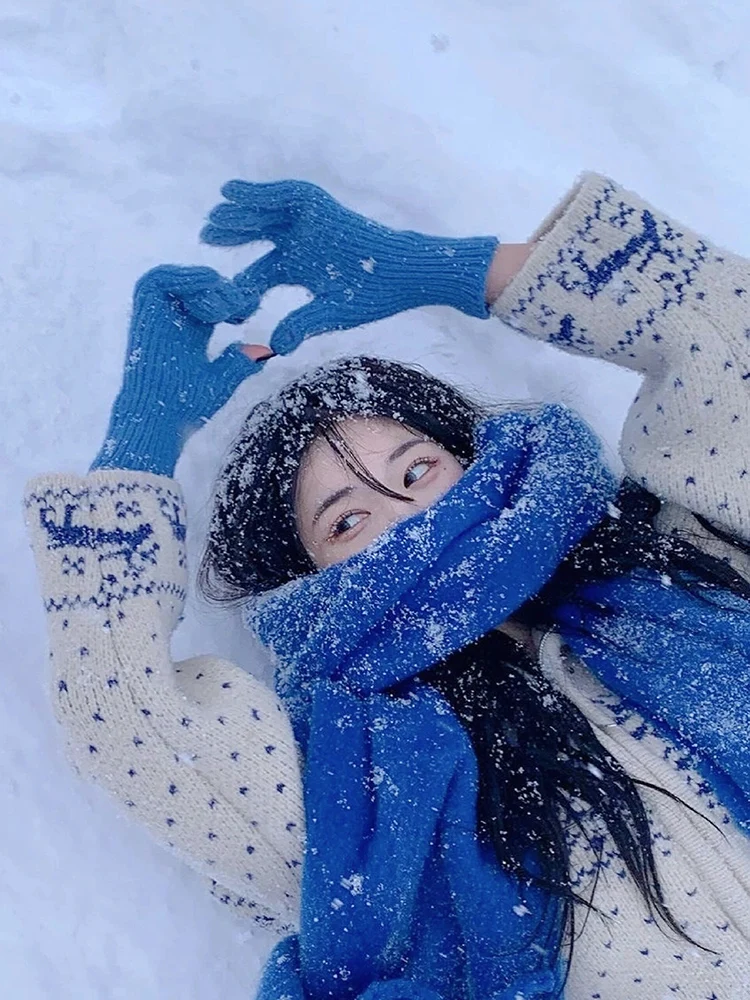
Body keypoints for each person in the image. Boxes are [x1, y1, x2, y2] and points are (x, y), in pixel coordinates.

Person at [24, 172, 750, 999]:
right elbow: (128, 714)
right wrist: (144, 437)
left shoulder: (682, 562)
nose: (410, 519)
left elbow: (731, 343)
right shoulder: (356, 782)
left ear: (476, 459)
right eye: (347, 521)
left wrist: (444, 269)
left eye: (416, 470)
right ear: (308, 583)